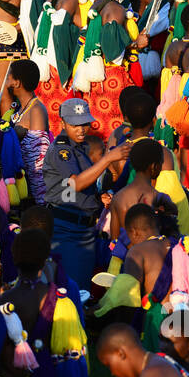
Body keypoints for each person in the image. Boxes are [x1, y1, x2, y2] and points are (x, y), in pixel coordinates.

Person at [42, 97, 131, 287]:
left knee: (84, 285)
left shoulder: (80, 147)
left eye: (84, 124)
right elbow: (75, 184)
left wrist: (98, 197)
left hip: (84, 227)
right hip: (67, 229)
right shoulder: (62, 150)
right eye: (75, 125)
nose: (81, 129)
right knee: (73, 289)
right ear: (63, 123)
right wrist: (108, 159)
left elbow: (82, 184)